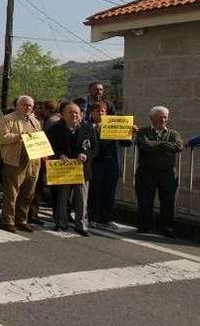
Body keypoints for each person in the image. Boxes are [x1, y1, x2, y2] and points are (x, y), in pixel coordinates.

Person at [46, 103, 98, 236]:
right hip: (63, 169)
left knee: (82, 198)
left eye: (76, 112)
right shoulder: (54, 129)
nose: (74, 115)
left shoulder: (88, 128)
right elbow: (48, 147)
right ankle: (61, 223)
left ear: (81, 114)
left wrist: (86, 155)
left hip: (82, 169)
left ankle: (81, 225)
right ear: (63, 115)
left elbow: (95, 149)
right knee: (62, 197)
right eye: (70, 112)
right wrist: (59, 155)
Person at [0, 95, 43, 233]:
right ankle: (8, 221)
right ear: (18, 105)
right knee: (12, 193)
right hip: (14, 160)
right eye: (24, 105)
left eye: (30, 106)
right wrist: (18, 136)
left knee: (28, 192)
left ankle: (22, 220)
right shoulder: (8, 119)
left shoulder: (35, 121)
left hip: (33, 161)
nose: (27, 107)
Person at [134, 106, 183, 238]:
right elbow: (144, 145)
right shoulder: (143, 131)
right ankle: (144, 226)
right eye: (160, 116)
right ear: (151, 117)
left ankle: (167, 227)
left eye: (165, 117)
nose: (163, 119)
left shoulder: (174, 133)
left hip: (167, 173)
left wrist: (157, 144)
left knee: (168, 201)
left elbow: (178, 146)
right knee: (145, 200)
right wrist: (165, 145)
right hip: (146, 172)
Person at [88, 102, 135, 230]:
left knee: (109, 192)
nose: (100, 113)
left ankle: (106, 218)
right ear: (91, 113)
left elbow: (125, 143)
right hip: (96, 163)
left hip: (112, 163)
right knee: (95, 191)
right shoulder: (87, 127)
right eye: (97, 111)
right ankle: (93, 218)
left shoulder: (113, 125)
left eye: (103, 111)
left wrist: (129, 132)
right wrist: (96, 130)